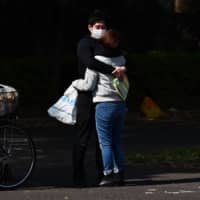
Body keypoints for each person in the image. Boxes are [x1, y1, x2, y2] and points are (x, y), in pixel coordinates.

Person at [72, 10, 126, 187]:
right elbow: (90, 62)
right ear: (89, 27)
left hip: (103, 97)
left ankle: (104, 173)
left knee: (103, 140)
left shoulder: (108, 45)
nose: (101, 29)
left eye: (103, 27)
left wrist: (119, 68)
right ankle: (79, 175)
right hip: (88, 97)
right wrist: (114, 70)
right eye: (97, 27)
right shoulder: (85, 43)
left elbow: (121, 61)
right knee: (83, 138)